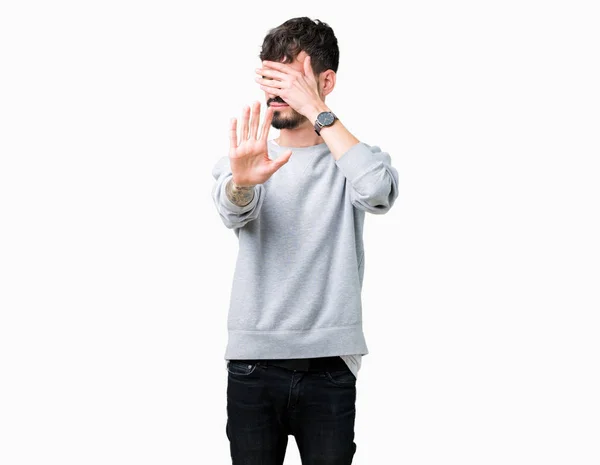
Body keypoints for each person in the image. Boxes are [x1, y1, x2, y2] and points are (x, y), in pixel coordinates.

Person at [211, 17, 399, 465]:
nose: (276, 93)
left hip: (330, 368)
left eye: (289, 81)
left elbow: (377, 192)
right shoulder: (248, 155)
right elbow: (231, 208)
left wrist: (317, 112)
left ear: (325, 81)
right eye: (270, 80)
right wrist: (241, 182)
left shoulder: (354, 158)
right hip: (253, 366)